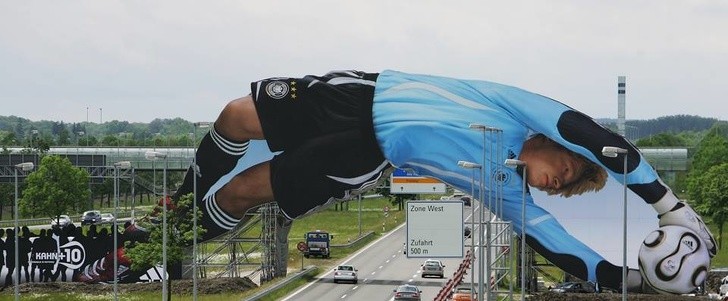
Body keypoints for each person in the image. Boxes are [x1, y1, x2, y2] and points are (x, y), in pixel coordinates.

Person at [161, 69, 717, 291]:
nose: (553, 184)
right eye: (566, 173)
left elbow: (558, 243)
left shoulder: (502, 187)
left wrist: (632, 281)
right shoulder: (520, 109)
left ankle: (173, 242)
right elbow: (593, 134)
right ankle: (176, 215)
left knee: (243, 190)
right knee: (237, 114)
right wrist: (666, 205)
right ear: (558, 146)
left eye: (561, 189)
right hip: (360, 93)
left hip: (364, 151)